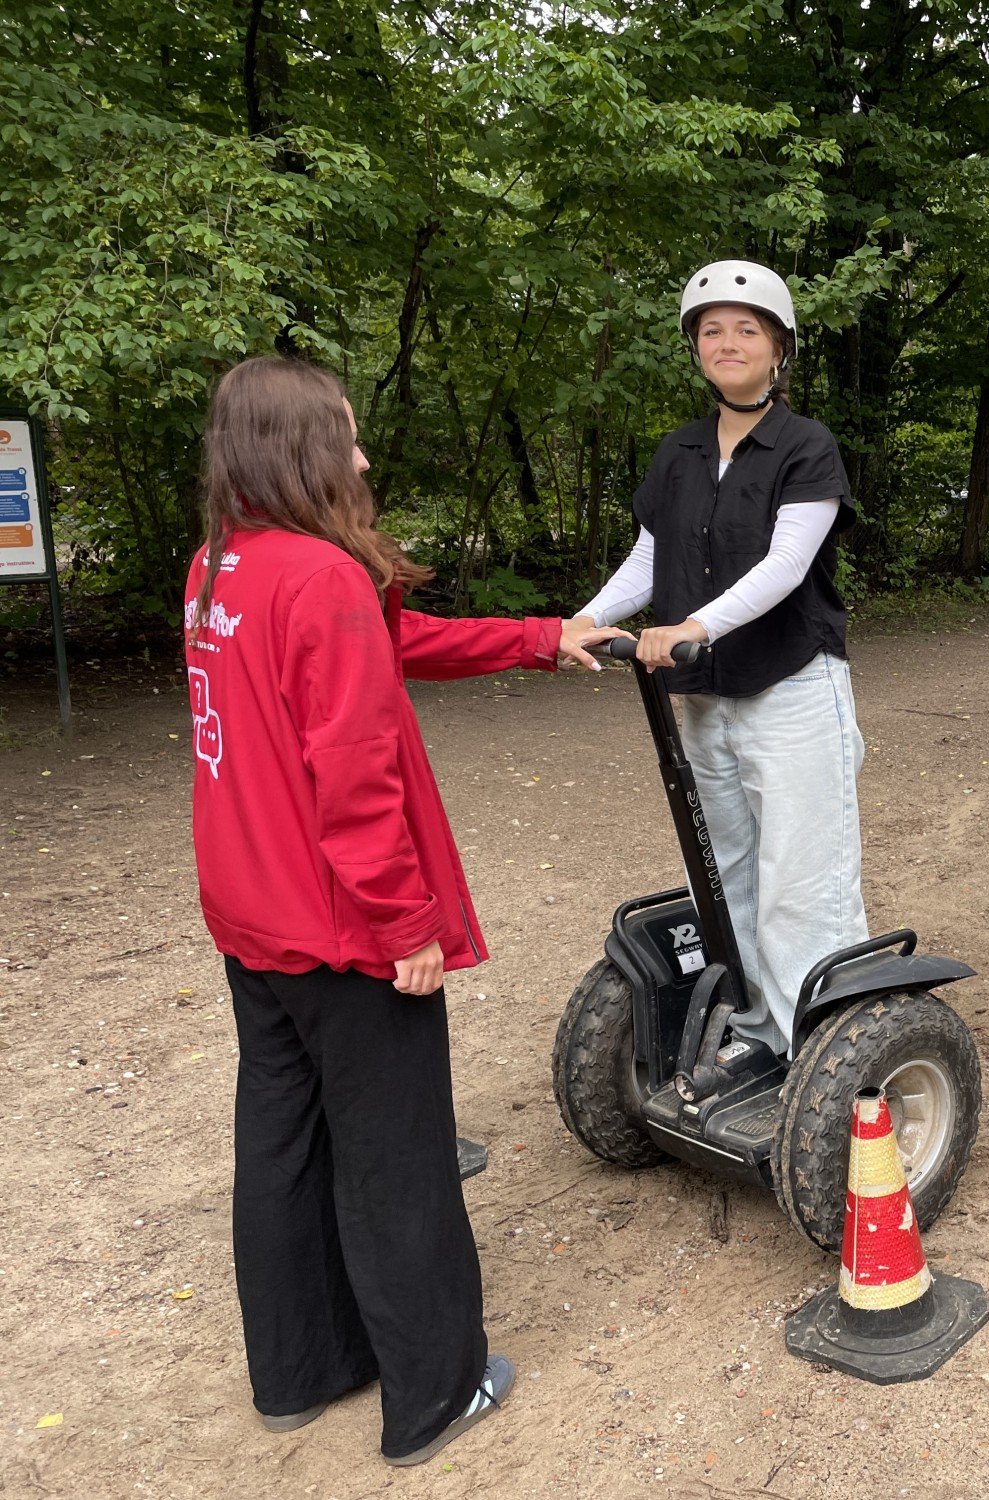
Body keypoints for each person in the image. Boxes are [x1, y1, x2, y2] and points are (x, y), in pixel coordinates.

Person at [184, 356, 626, 1463]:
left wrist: (538, 636)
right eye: (345, 434)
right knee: (397, 1156)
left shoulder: (220, 564)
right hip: (339, 929)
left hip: (255, 917)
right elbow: (353, 776)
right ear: (297, 449)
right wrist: (405, 926)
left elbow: (388, 648)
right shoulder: (319, 577)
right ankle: (435, 1394)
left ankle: (300, 1372)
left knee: (282, 1145)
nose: (363, 454)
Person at [572, 260, 863, 1059]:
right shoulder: (679, 451)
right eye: (711, 330)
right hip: (704, 694)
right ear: (695, 347)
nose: (727, 342)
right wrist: (587, 619)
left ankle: (825, 1051)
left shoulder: (805, 447)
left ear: (778, 348)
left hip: (792, 685)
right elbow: (651, 557)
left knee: (801, 880)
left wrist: (692, 624)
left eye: (747, 329)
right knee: (726, 875)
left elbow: (787, 565)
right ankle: (762, 1032)